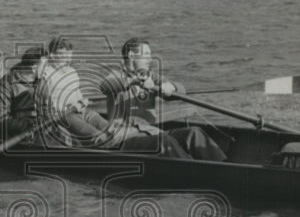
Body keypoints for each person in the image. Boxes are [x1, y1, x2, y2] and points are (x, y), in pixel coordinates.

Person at [99, 38, 227, 160]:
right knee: (165, 141)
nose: (150, 58)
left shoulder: (152, 77)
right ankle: (192, 171)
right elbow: (105, 86)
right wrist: (134, 81)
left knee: (194, 132)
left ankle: (225, 168)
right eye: (146, 54)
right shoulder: (115, 75)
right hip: (123, 139)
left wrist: (170, 86)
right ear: (132, 55)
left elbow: (181, 89)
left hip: (151, 133)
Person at [40, 37, 110, 146]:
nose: (68, 59)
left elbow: (78, 95)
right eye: (63, 55)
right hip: (63, 116)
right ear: (52, 56)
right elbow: (45, 108)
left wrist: (83, 101)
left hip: (81, 111)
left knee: (110, 129)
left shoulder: (72, 72)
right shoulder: (45, 75)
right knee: (98, 135)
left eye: (69, 54)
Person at [0, 46, 50, 140]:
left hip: (38, 132)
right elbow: (1, 122)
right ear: (34, 68)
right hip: (16, 136)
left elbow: (47, 109)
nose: (47, 70)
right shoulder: (5, 85)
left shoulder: (42, 82)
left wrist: (50, 119)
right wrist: (30, 124)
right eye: (45, 66)